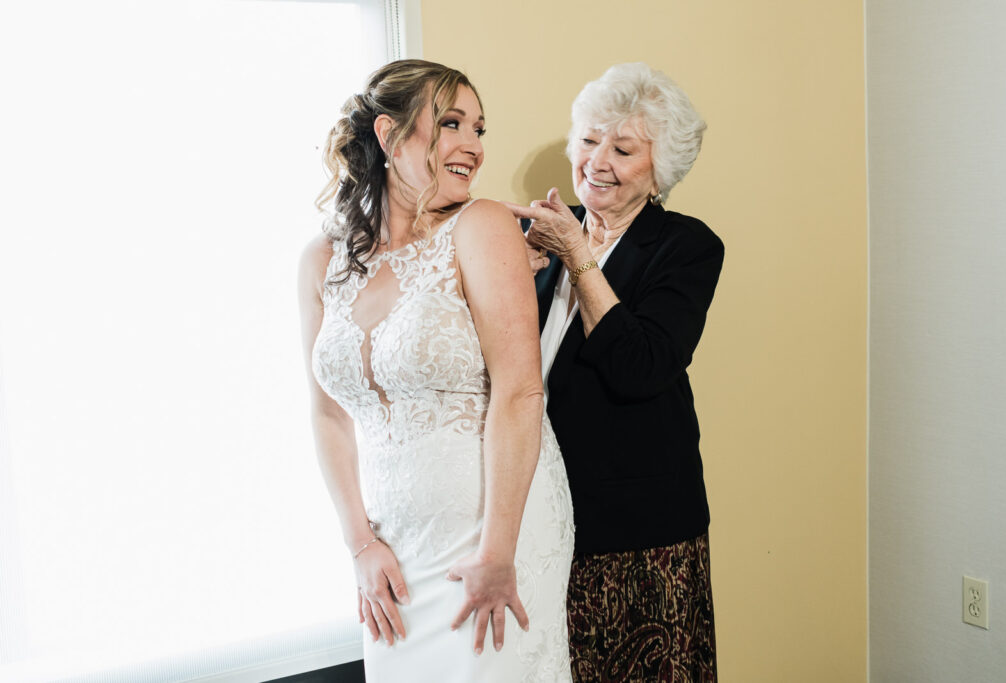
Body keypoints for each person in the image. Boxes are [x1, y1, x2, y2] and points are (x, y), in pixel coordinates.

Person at [297, 60, 574, 682]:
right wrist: (360, 545)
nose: (472, 146)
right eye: (451, 123)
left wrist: (499, 552)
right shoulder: (321, 261)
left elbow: (521, 390)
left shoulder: (481, 227)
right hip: (393, 551)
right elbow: (327, 414)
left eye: (480, 129)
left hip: (491, 533)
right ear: (390, 136)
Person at [506, 62, 723, 682]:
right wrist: (521, 269)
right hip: (543, 510)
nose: (597, 160)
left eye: (623, 148)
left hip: (641, 529)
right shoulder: (543, 232)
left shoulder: (687, 247)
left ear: (660, 172)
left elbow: (641, 366)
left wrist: (578, 257)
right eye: (589, 139)